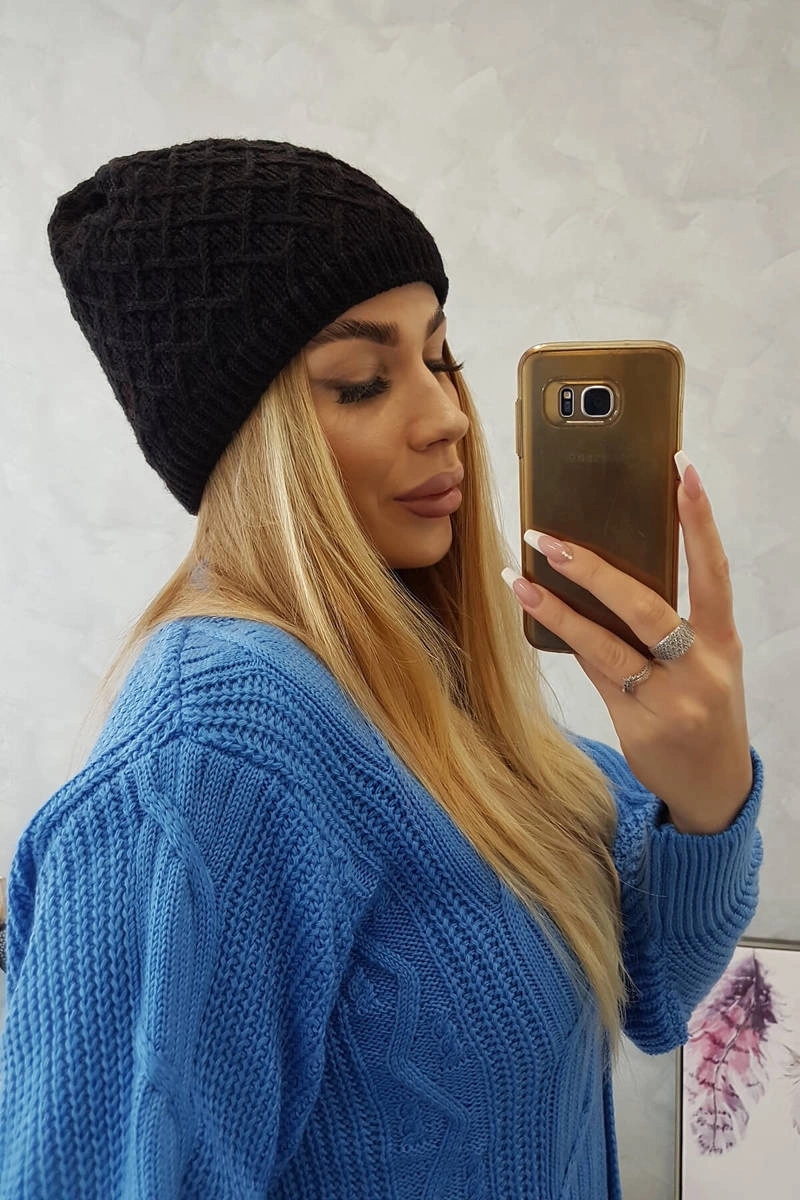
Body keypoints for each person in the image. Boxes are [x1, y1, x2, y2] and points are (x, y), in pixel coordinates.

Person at [0, 138, 763, 1199]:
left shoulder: (417, 691)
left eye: (441, 357)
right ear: (251, 445)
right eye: (362, 382)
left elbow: (653, 980)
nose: (447, 416)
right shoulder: (211, 759)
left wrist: (703, 786)